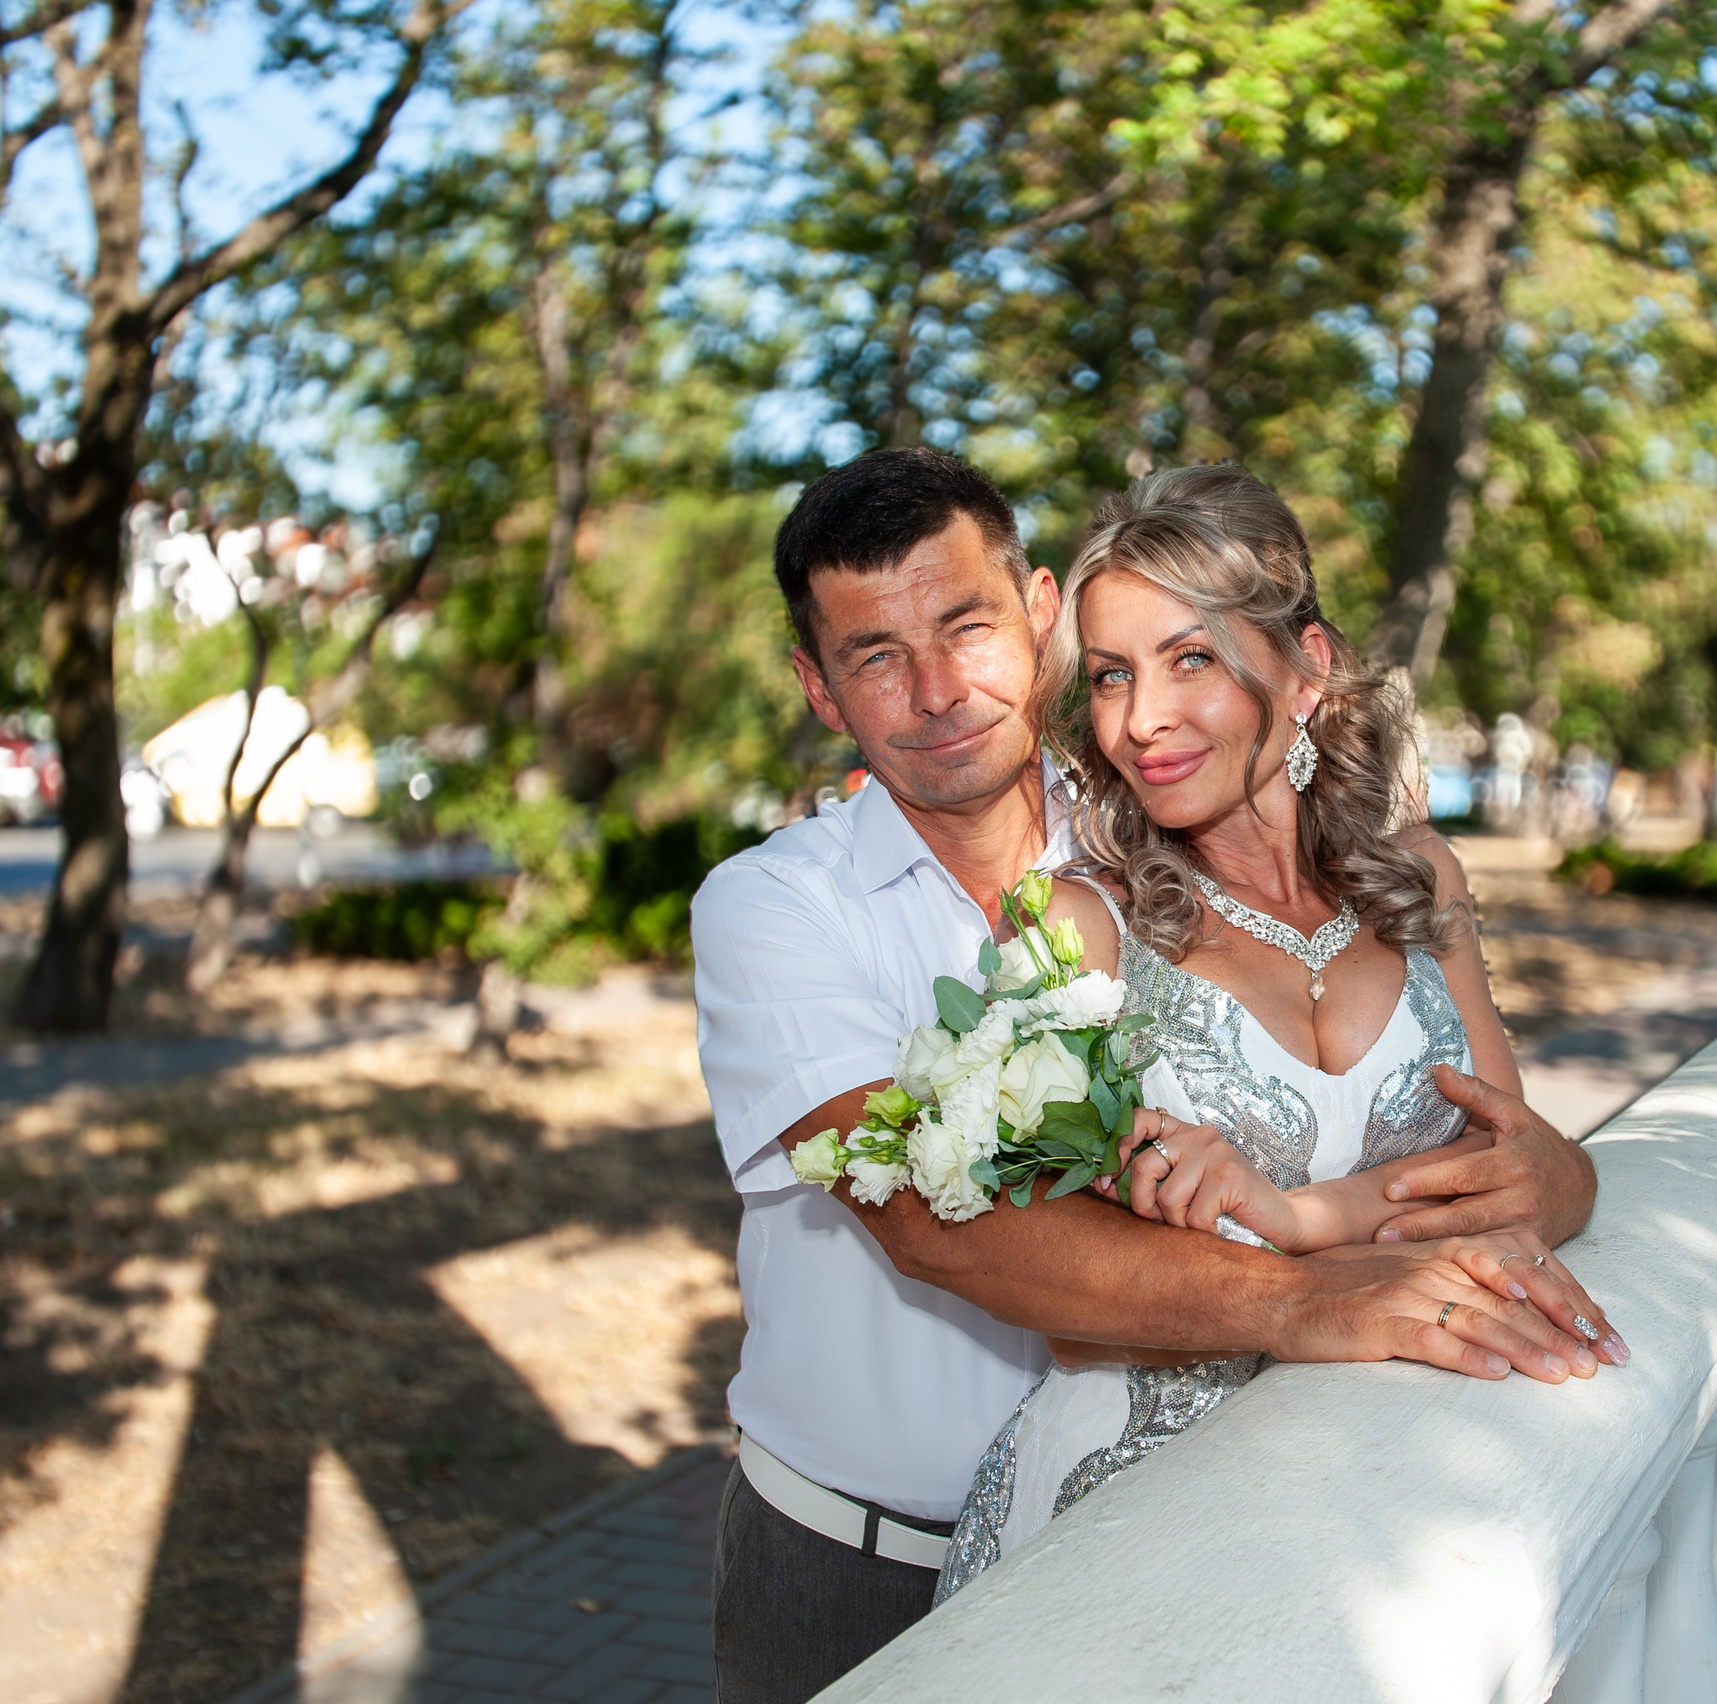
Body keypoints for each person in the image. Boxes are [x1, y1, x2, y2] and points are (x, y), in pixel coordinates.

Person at [692, 448, 1611, 1703]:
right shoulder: (774, 910)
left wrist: (1555, 1170)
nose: (936, 690)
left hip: (1226, 1515)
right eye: (872, 656)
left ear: (1036, 614)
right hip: (863, 1555)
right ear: (819, 687)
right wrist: (1310, 1292)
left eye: (966, 626)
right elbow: (934, 1225)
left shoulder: (1158, 826)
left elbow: (1462, 1136)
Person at [932, 464, 1625, 1601]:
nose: (1139, 720)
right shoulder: (1072, 929)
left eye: (1189, 658)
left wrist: (1285, 1216)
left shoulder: (1418, 880)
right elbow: (1060, 1301)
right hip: (1132, 1518)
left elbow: (1516, 1176)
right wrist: (1332, 1252)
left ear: (1306, 669)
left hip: (1389, 1503)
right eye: (1109, 677)